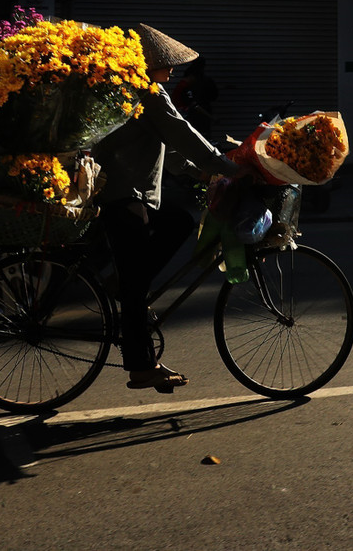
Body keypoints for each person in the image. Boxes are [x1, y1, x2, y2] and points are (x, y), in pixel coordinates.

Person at [92, 24, 243, 393]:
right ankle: (142, 367)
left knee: (177, 221)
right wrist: (232, 169)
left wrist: (200, 173)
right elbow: (184, 135)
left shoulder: (133, 90)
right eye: (165, 62)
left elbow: (170, 148)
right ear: (147, 64)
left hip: (124, 192)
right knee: (135, 287)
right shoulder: (149, 92)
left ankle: (122, 284)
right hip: (124, 195)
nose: (172, 68)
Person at [171, 56, 219, 136]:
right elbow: (194, 105)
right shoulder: (185, 87)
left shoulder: (182, 85)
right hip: (186, 116)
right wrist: (210, 117)